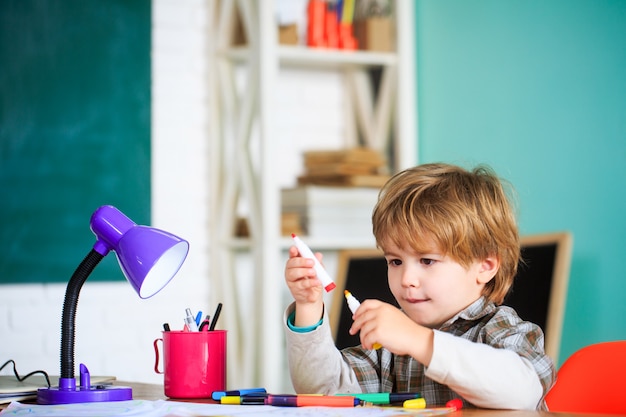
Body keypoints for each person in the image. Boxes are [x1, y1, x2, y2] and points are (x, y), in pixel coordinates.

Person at [283, 162, 556, 410]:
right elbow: (324, 393)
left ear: (484, 266)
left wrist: (418, 341)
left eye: (427, 260)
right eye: (395, 261)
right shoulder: (388, 346)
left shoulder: (503, 329)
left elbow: (521, 392)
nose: (406, 279)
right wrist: (308, 308)